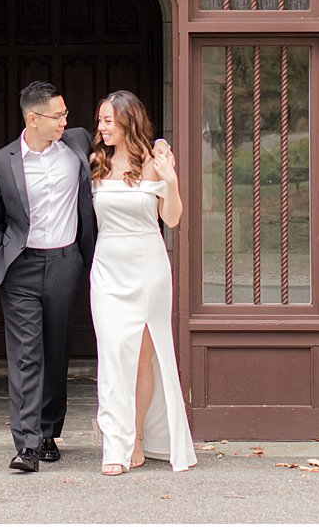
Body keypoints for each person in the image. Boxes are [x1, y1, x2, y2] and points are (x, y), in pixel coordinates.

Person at [0, 81, 96, 473]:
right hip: (21, 269)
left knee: (55, 350)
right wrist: (0, 254)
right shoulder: (0, 162)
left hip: (65, 264)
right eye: (58, 115)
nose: (66, 120)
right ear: (33, 118)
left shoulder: (78, 144)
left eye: (65, 114)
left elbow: (119, 147)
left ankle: (49, 433)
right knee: (26, 355)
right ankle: (26, 445)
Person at [89, 90, 196, 475]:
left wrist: (172, 181)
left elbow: (171, 219)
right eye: (99, 120)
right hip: (107, 268)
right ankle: (113, 446)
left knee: (142, 359)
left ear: (128, 121)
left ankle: (135, 438)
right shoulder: (96, 162)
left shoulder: (154, 161)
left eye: (108, 120)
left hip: (148, 265)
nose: (101, 127)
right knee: (115, 353)